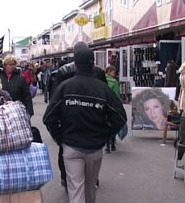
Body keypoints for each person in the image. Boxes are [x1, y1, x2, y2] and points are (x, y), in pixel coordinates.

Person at [43, 41, 127, 203]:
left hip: (71, 146)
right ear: (94, 64)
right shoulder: (103, 89)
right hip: (94, 147)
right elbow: (120, 117)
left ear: (75, 64)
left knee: (76, 191)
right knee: (90, 191)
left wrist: (60, 138)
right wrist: (105, 135)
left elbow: (48, 118)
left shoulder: (65, 87)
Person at [105, 65, 120, 153]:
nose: (114, 75)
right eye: (114, 73)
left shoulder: (102, 81)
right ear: (110, 72)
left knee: (106, 125)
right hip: (113, 106)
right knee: (113, 124)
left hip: (105, 105)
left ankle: (107, 146)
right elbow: (117, 96)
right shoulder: (114, 82)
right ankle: (112, 143)